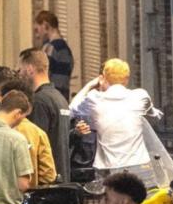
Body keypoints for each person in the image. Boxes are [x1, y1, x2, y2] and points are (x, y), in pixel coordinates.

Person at [69, 58, 161, 186]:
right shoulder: (140, 96)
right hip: (140, 165)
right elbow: (151, 111)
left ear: (103, 78)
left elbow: (72, 109)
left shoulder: (94, 99)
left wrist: (90, 85)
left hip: (109, 169)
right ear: (126, 79)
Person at [33, 10, 74, 99]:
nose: (37, 35)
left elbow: (42, 76)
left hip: (51, 98)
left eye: (37, 30)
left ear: (45, 25)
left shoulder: (51, 48)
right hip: (62, 98)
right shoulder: (65, 49)